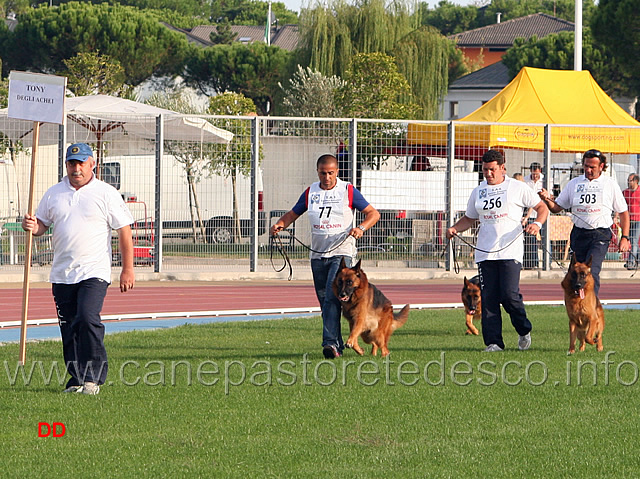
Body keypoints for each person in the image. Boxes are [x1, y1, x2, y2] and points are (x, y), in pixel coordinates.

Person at [21, 143, 135, 395]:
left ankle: (93, 378)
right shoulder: (54, 193)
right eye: (72, 163)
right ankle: (76, 379)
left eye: (81, 163)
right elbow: (42, 226)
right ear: (66, 166)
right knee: (69, 326)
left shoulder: (106, 193)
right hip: (62, 273)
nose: (76, 168)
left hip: (94, 271)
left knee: (86, 317)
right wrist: (31, 225)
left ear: (92, 164)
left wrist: (128, 269)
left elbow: (124, 230)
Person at [270, 154, 380, 359]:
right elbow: (293, 214)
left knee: (331, 298)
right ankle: (337, 344)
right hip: (318, 254)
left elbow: (373, 213)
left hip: (342, 252)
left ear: (337, 171)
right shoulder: (311, 192)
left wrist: (361, 228)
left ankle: (330, 344)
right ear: (317, 172)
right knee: (325, 300)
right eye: (323, 173)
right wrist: (280, 224)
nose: (327, 177)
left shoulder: (347, 190)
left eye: (331, 173)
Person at [446, 149, 548, 352]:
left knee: (509, 295)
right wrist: (455, 228)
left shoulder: (517, 187)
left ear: (502, 168)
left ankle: (523, 329)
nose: (488, 174)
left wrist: (537, 224)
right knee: (490, 298)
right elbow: (470, 217)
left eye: (492, 169)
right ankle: (494, 343)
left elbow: (541, 207)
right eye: (485, 170)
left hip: (510, 251)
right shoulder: (478, 190)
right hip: (485, 252)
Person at [539, 149, 630, 295]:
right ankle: (576, 304)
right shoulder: (574, 183)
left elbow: (624, 212)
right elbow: (556, 207)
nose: (588, 170)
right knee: (575, 273)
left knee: (591, 271)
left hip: (599, 235)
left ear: (601, 166)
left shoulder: (609, 184)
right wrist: (547, 199)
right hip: (579, 234)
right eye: (586, 166)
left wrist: (624, 237)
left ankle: (591, 304)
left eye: (592, 167)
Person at [522, 162, 544, 269]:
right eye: (533, 174)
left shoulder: (545, 179)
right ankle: (531, 263)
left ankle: (545, 263)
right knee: (531, 240)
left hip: (542, 214)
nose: (535, 176)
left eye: (537, 174)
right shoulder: (525, 181)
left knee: (544, 238)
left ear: (540, 171)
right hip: (530, 214)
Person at [623, 173, 640, 269]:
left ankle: (631, 262)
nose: (628, 182)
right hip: (628, 220)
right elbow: (620, 206)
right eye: (628, 180)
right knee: (629, 241)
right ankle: (634, 259)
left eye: (630, 180)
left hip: (638, 220)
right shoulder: (625, 192)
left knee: (634, 241)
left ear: (636, 181)